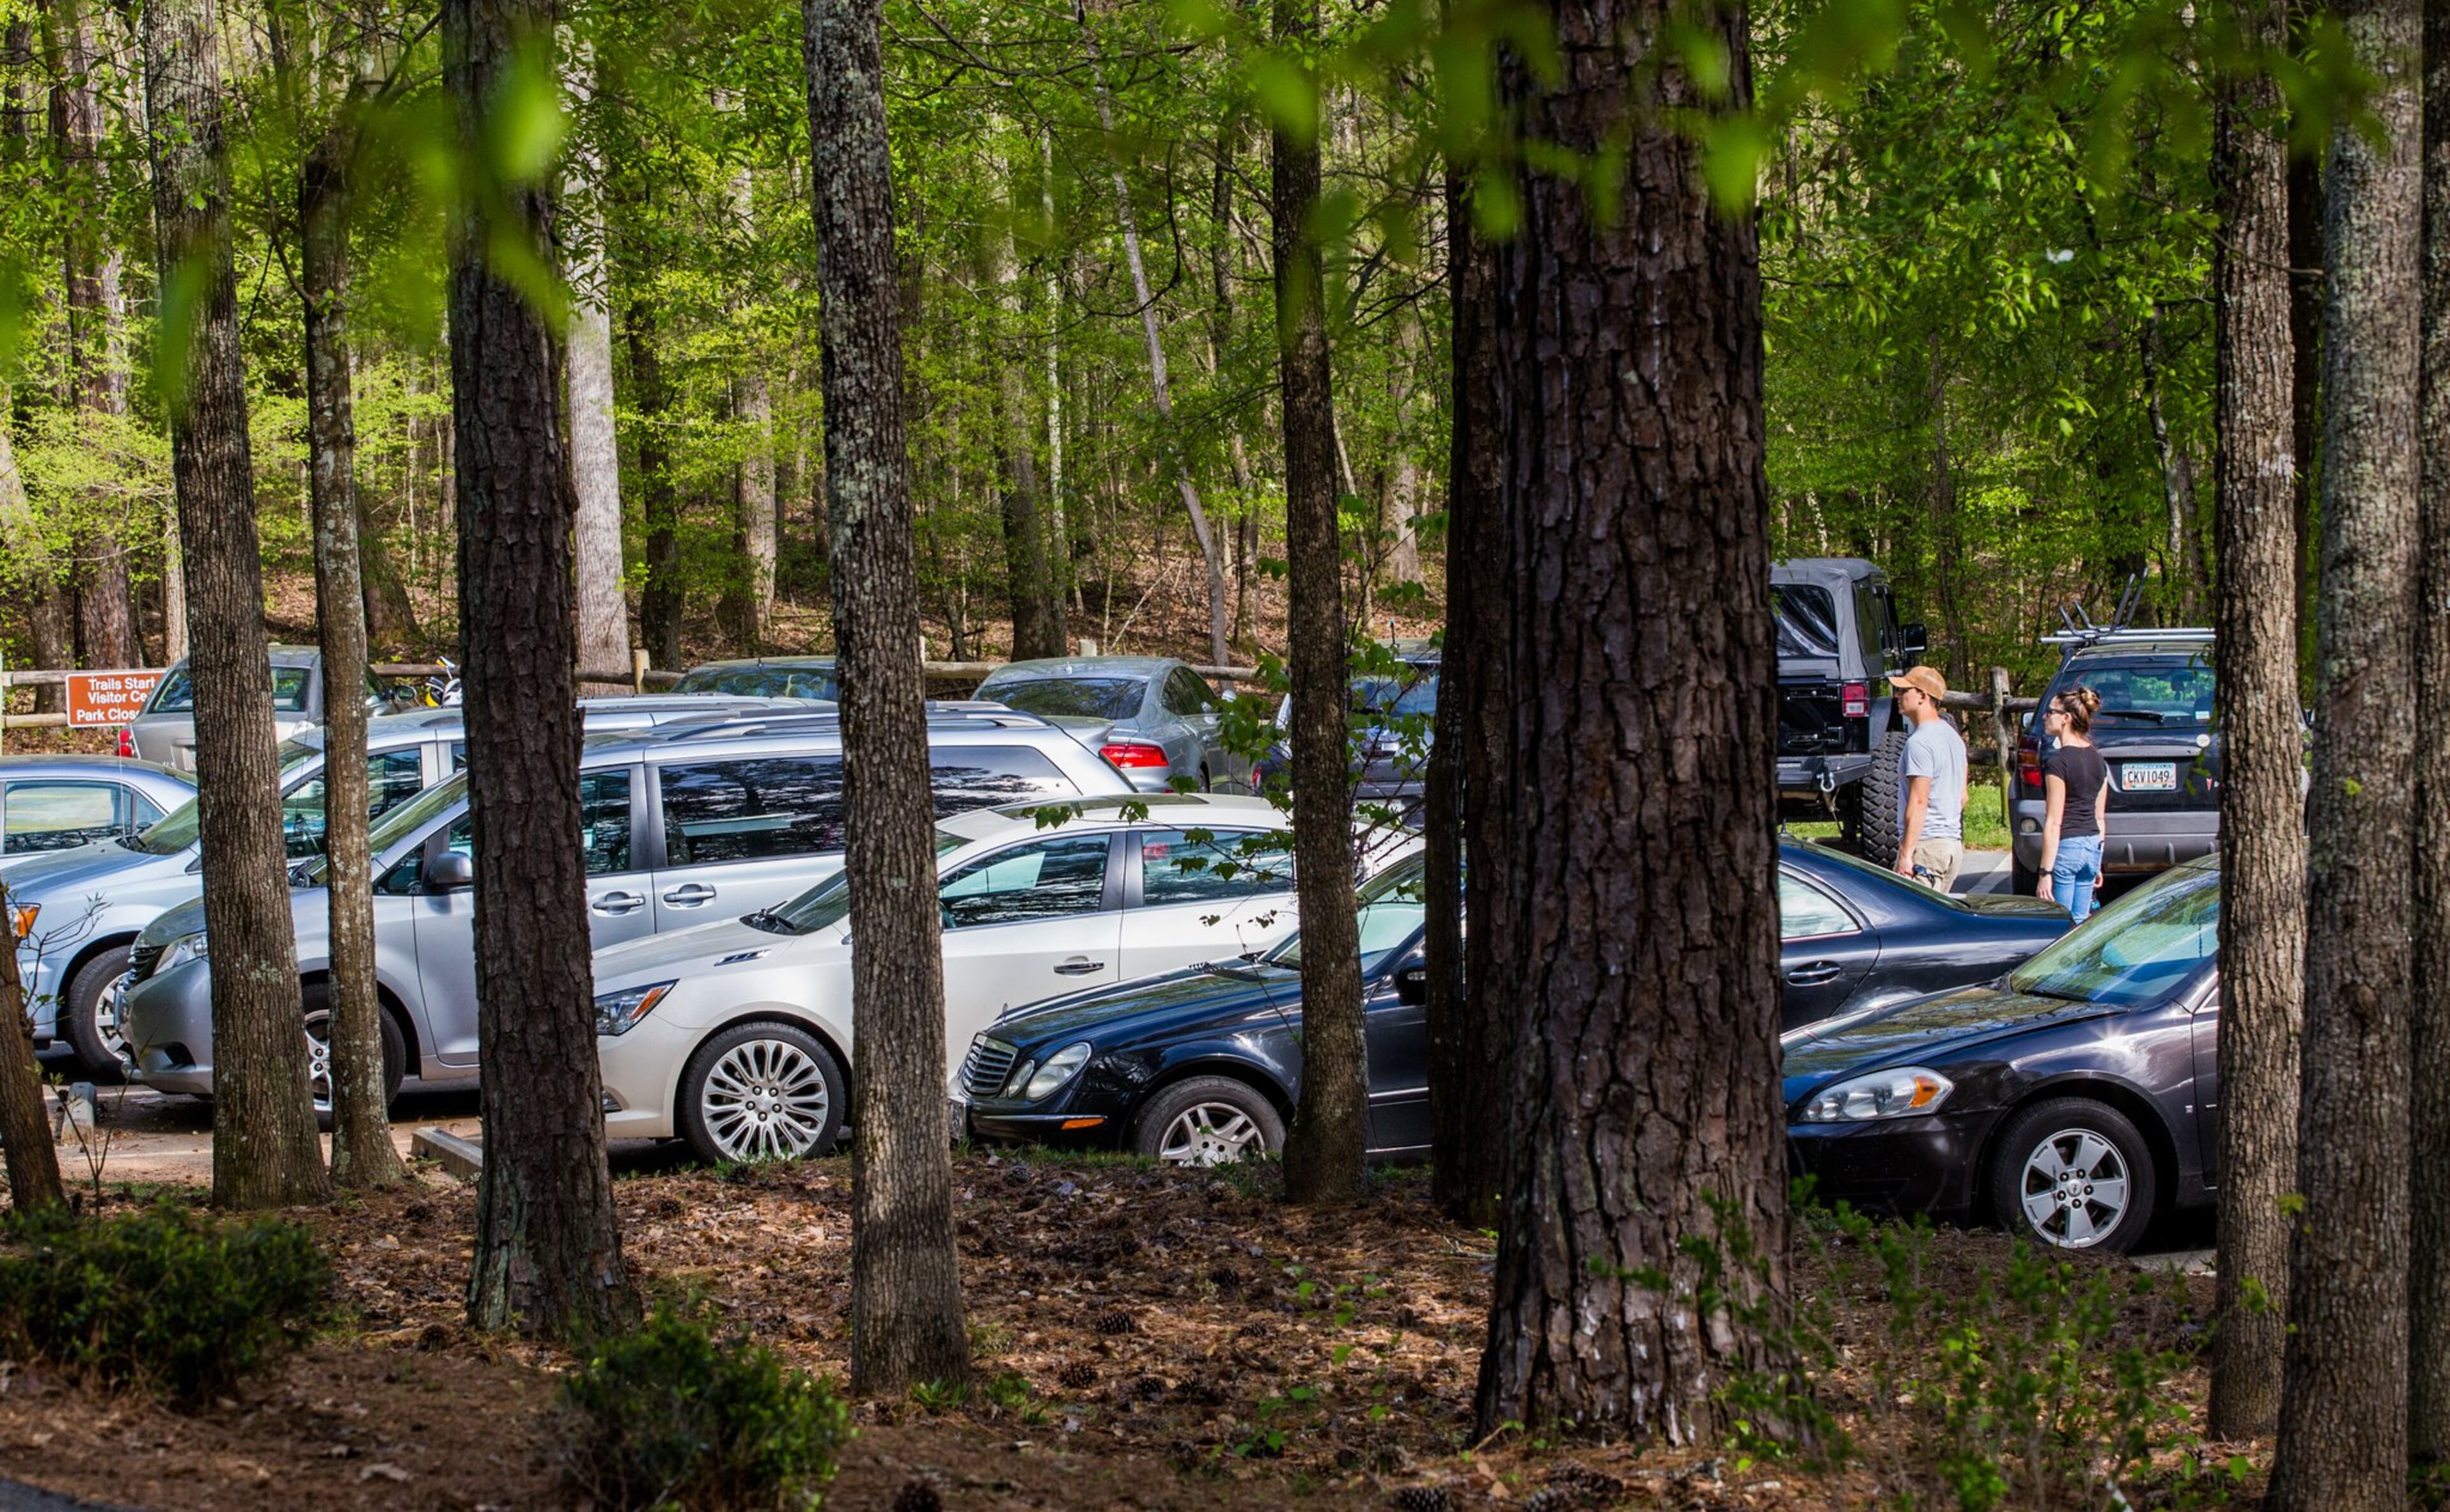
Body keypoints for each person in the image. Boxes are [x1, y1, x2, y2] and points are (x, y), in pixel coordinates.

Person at [2033, 685, 2110, 922]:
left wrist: (2045, 873)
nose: (2045, 717)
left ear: (2066, 718)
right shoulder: (2098, 759)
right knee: (2080, 924)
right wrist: (2097, 863)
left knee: (2061, 925)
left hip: (2068, 848)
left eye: (2050, 712)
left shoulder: (2058, 763)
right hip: (2092, 847)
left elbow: (2054, 822)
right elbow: (2100, 817)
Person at [1889, 665, 1968, 891]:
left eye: (1904, 691)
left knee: (1908, 912)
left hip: (1926, 848)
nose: (1898, 696)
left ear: (1923, 696)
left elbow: (1919, 802)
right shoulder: (1954, 739)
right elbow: (1962, 797)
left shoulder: (1919, 743)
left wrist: (1906, 855)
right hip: (1951, 847)